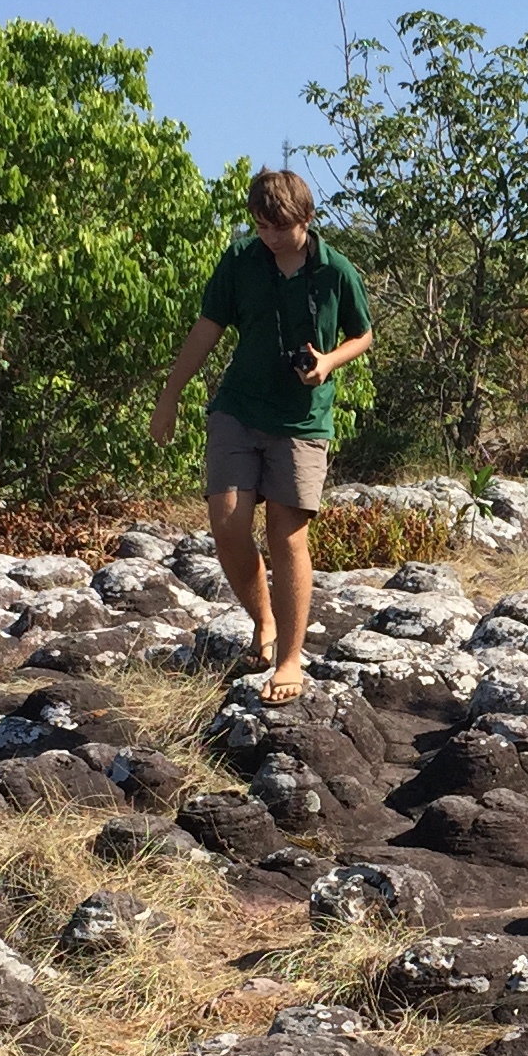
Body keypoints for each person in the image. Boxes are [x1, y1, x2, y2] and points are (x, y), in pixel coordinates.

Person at [150, 168, 374, 704]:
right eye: (261, 227)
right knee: (227, 525)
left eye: (280, 228)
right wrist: (170, 394)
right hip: (237, 407)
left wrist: (327, 364)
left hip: (301, 420)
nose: (270, 238)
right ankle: (263, 620)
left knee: (286, 535)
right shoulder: (240, 262)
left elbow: (363, 334)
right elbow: (207, 328)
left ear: (306, 219)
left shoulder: (336, 270)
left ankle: (292, 658)